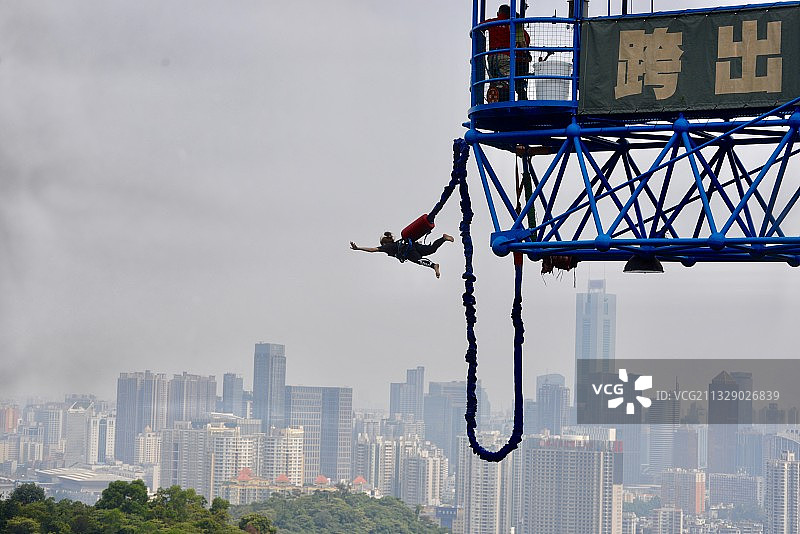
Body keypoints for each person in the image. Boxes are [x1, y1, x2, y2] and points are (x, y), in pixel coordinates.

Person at [350, 232, 454, 278]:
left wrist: (358, 248)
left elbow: (373, 250)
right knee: (431, 249)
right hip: (414, 246)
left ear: (384, 243)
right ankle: (443, 238)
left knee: (419, 261)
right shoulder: (395, 243)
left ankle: (434, 266)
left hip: (409, 253)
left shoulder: (387, 247)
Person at [485, 4, 531, 102]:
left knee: (494, 80)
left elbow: (480, 27)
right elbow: (523, 45)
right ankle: (506, 100)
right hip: (506, 56)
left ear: (498, 13)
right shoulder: (512, 25)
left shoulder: (492, 22)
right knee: (507, 83)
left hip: (491, 56)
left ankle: (494, 99)